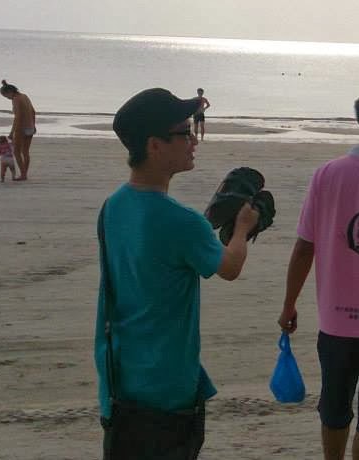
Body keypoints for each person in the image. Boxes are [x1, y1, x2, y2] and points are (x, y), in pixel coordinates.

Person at [96, 88, 260, 460]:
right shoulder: (181, 221)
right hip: (166, 387)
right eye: (184, 133)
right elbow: (229, 267)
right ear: (154, 145)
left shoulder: (113, 206)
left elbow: (159, 255)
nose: (193, 141)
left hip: (118, 380)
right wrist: (242, 228)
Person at [279, 87, 359, 460]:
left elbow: (304, 246)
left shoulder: (327, 174)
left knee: (334, 407)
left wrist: (289, 303)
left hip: (335, 320)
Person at [0, 79, 37, 180]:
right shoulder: (24, 96)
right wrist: (34, 125)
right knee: (25, 152)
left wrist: (13, 132)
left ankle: (23, 175)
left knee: (17, 152)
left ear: (9, 92)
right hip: (30, 127)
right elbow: (33, 112)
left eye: (6, 96)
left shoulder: (16, 99)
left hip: (21, 128)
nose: (7, 98)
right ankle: (24, 174)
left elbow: (18, 117)